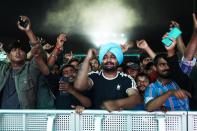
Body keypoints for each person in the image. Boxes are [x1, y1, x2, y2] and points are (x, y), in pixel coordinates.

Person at [74, 42, 141, 112]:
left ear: (118, 60)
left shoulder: (127, 79)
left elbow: (136, 99)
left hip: (119, 121)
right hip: (95, 121)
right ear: (101, 61)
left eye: (113, 57)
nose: (108, 60)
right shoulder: (94, 76)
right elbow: (79, 86)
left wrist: (117, 103)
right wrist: (88, 58)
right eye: (104, 57)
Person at [0, 16, 49, 109]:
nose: (18, 52)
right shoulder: (3, 69)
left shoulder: (31, 69)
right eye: (14, 50)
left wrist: (28, 30)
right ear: (9, 56)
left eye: (21, 50)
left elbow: (39, 53)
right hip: (2, 117)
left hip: (24, 117)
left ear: (26, 55)